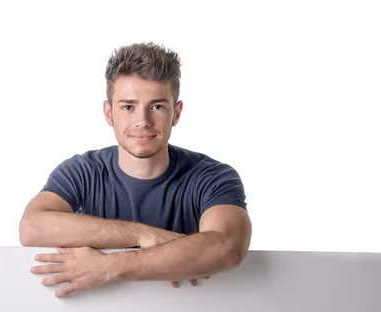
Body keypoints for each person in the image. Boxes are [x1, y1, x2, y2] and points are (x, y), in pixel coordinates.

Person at [19, 42, 252, 298]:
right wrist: (144, 234)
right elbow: (32, 227)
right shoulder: (82, 171)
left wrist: (109, 267)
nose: (143, 121)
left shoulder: (213, 177)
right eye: (128, 107)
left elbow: (227, 247)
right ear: (109, 113)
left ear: (176, 112)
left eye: (157, 106)